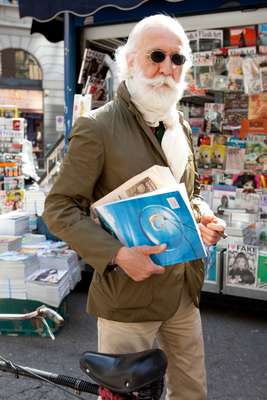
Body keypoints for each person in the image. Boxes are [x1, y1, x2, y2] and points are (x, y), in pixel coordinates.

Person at [43, 15, 226, 400]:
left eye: (177, 59)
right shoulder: (98, 127)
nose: (166, 68)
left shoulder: (181, 126)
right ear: (129, 62)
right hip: (127, 297)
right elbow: (59, 208)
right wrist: (117, 254)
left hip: (182, 291)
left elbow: (184, 195)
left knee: (192, 392)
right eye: (155, 55)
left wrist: (202, 215)